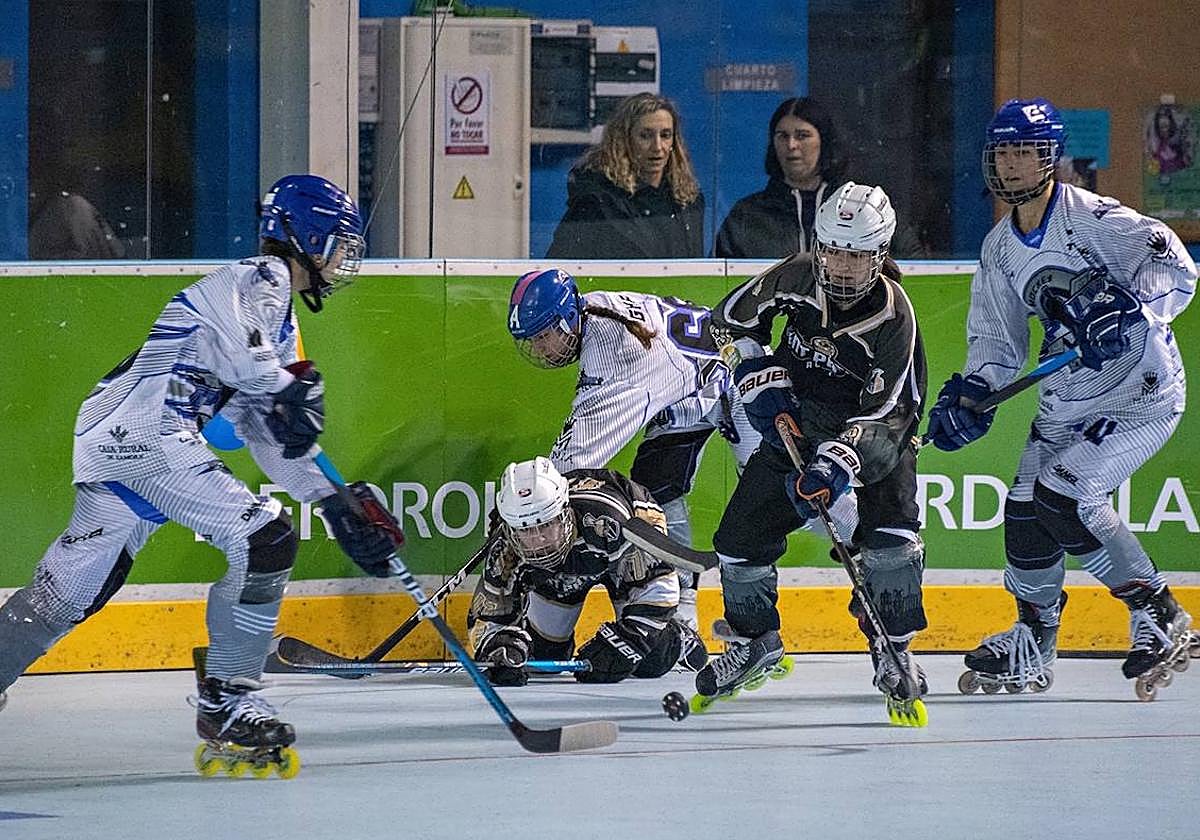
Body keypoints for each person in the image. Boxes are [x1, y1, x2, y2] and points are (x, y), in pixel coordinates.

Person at [0, 175, 403, 770]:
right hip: (148, 433)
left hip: (120, 433)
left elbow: (262, 429)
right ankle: (229, 698)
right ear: (309, 237)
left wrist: (332, 499)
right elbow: (250, 365)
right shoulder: (259, 279)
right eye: (340, 245)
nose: (345, 259)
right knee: (265, 539)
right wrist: (287, 388)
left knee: (71, 592)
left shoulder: (278, 319)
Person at [926, 98, 1198, 697]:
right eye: (1003, 151)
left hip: (1138, 396)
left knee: (1065, 498)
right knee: (1025, 515)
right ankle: (1034, 638)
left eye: (1025, 151)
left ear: (1050, 157)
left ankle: (1159, 612)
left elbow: (1176, 270)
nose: (1012, 163)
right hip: (1067, 402)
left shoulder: (1094, 218)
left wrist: (1129, 312)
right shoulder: (1000, 248)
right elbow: (997, 342)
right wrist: (975, 392)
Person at [699, 182, 929, 713]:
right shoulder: (797, 274)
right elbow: (726, 322)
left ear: (880, 254)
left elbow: (890, 414)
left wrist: (835, 463)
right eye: (833, 252)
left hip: (879, 435)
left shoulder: (895, 317)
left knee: (891, 544)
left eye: (857, 256)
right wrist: (757, 374)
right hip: (798, 420)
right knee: (738, 540)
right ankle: (755, 641)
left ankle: (893, 648)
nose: (842, 267)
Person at [506, 267, 764, 630]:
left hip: (744, 380)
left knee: (772, 499)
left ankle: (760, 632)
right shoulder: (591, 309)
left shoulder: (616, 355)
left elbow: (573, 462)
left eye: (544, 336)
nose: (540, 349)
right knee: (656, 487)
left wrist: (525, 507)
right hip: (689, 392)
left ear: (567, 319)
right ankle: (683, 610)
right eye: (532, 341)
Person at [467, 457, 703, 686]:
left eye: (546, 525)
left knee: (648, 661)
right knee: (542, 659)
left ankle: (678, 636)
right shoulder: (505, 546)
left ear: (565, 511)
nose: (538, 540)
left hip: (621, 568)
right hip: (561, 576)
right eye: (525, 531)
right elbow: (486, 618)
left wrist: (628, 642)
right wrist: (500, 648)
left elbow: (658, 586)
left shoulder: (612, 523)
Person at [714, 97, 921, 260]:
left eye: (802, 135)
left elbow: (912, 267)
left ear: (824, 142)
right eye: (782, 136)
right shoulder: (747, 216)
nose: (791, 145)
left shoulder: (864, 207)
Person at [546, 93, 704, 259]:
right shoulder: (598, 202)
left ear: (674, 141)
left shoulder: (688, 202)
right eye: (645, 136)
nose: (657, 147)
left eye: (665, 135)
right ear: (624, 140)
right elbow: (562, 265)